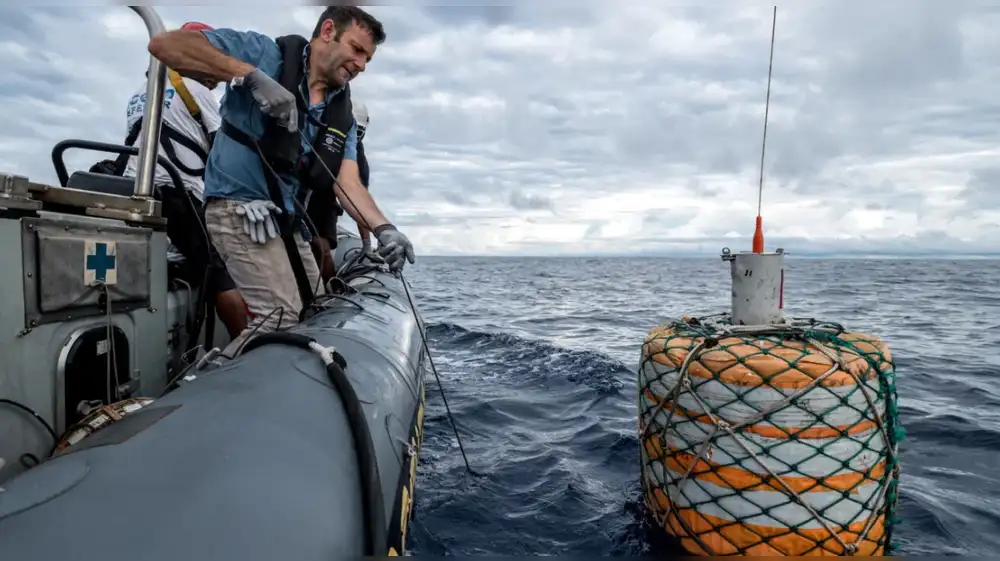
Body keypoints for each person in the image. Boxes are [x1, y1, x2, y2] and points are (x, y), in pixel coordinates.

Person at [145, 6, 416, 353]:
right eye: (357, 49)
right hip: (238, 209)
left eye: (368, 59)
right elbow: (166, 45)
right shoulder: (264, 53)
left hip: (286, 221)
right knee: (282, 320)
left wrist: (385, 229)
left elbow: (348, 183)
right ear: (328, 31)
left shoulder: (342, 115)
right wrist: (249, 76)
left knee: (318, 310)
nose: (361, 65)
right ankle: (213, 389)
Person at [122, 21, 249, 340]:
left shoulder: (140, 93)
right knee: (224, 277)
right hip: (178, 196)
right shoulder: (197, 93)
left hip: (137, 192)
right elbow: (226, 156)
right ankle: (246, 349)